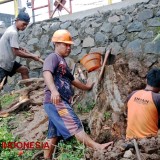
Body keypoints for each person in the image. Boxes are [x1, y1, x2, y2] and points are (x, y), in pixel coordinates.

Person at [43, 29, 113, 159]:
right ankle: (97, 146)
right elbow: (47, 72)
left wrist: (87, 87)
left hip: (56, 103)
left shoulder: (63, 62)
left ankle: (46, 158)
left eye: (70, 45)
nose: (69, 48)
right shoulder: (53, 57)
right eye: (66, 44)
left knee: (53, 134)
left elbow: (73, 80)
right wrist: (53, 90)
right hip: (57, 102)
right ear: (56, 44)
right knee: (73, 123)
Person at [0, 11, 41, 87]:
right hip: (2, 64)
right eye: (24, 24)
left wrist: (20, 48)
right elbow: (16, 52)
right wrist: (32, 56)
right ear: (17, 20)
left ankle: (29, 91)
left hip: (8, 62)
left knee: (24, 70)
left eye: (26, 25)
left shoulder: (12, 29)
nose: (25, 26)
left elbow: (11, 45)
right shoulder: (13, 32)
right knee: (0, 85)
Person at [126, 68, 160, 139]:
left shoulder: (132, 94)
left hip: (129, 140)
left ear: (146, 80)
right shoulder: (157, 98)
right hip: (150, 141)